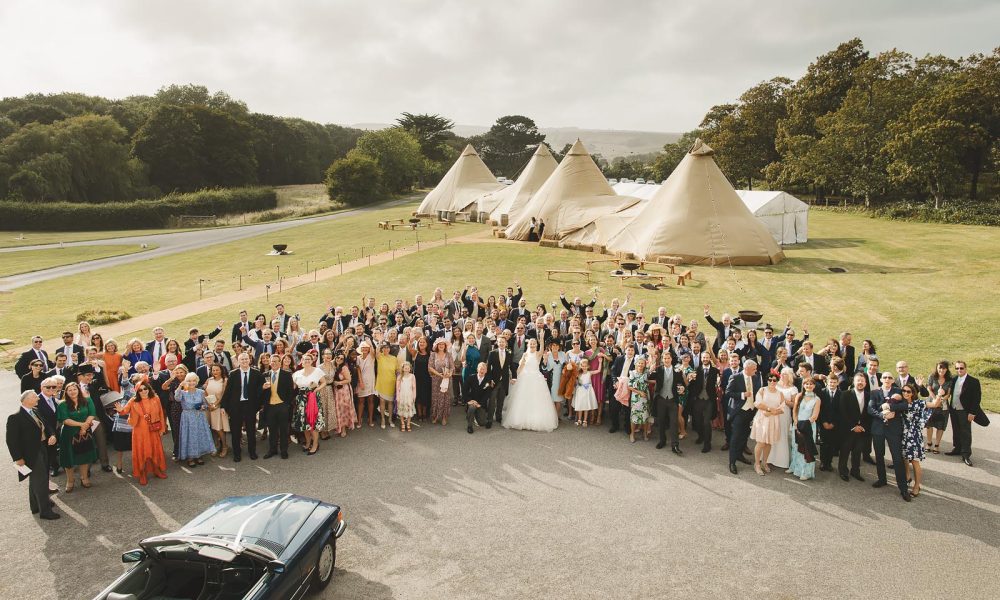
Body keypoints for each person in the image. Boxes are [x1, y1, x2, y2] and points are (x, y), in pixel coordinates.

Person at [6, 390, 59, 519]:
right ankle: (45, 511)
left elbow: (46, 425)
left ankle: (35, 506)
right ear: (26, 400)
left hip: (42, 448)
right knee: (40, 481)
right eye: (35, 397)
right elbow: (11, 440)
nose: (38, 398)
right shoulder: (15, 417)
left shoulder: (35, 411)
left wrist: (52, 435)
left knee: (37, 479)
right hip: (30, 453)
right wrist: (18, 458)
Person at [869, 373, 910, 501]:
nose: (887, 379)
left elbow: (905, 405)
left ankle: (903, 488)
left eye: (890, 377)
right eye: (885, 377)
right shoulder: (875, 392)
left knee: (897, 458)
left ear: (893, 380)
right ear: (881, 379)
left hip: (894, 429)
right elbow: (870, 409)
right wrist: (883, 415)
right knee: (879, 456)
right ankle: (882, 479)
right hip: (878, 429)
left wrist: (890, 406)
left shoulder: (898, 391)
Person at [502, 339, 558, 432]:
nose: (532, 345)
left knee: (536, 399)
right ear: (528, 345)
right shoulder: (525, 355)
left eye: (534, 344)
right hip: (525, 377)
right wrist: (516, 377)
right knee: (523, 398)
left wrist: (541, 337)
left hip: (536, 378)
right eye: (530, 344)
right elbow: (520, 367)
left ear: (536, 345)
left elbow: (542, 348)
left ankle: (535, 420)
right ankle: (521, 420)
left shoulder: (538, 354)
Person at [220, 352, 264, 462]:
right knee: (235, 431)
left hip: (250, 406)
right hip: (236, 406)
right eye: (242, 359)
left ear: (249, 360)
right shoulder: (233, 374)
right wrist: (223, 406)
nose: (244, 361)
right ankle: (237, 453)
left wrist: (259, 405)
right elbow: (228, 391)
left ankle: (252, 452)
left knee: (251, 430)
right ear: (238, 361)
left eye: (246, 359)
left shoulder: (257, 373)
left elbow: (260, 391)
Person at [56, 382, 97, 491]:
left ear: (78, 390)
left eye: (74, 389)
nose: (72, 392)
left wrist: (84, 427)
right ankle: (70, 480)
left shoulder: (87, 400)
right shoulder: (62, 404)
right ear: (66, 392)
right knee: (68, 458)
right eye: (70, 390)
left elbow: (92, 414)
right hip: (69, 434)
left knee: (84, 456)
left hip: (84, 432)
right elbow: (65, 420)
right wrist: (81, 425)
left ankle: (84, 478)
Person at [945, 361, 986, 467]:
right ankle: (957, 448)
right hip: (953, 409)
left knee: (965, 432)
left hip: (965, 411)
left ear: (966, 368)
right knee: (956, 429)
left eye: (961, 368)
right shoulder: (954, 379)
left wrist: (972, 412)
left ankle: (966, 454)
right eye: (957, 368)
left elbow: (976, 399)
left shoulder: (973, 381)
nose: (959, 370)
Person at [725, 360, 762, 475]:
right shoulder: (735, 377)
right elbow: (728, 392)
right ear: (747, 368)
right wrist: (742, 395)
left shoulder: (755, 378)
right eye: (754, 369)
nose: (756, 371)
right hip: (738, 412)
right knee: (735, 437)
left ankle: (740, 455)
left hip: (750, 411)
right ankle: (732, 462)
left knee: (744, 436)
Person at [176, 373, 215, 467]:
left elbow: (206, 405)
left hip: (199, 417)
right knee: (189, 436)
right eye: (189, 381)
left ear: (197, 381)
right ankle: (190, 457)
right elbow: (176, 398)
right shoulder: (182, 392)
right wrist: (179, 387)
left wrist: (203, 407)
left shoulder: (201, 392)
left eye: (193, 380)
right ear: (186, 381)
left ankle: (199, 455)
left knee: (199, 435)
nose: (191, 383)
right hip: (187, 417)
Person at [837, 373, 871, 482]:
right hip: (848, 429)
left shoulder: (869, 395)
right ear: (853, 382)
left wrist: (862, 427)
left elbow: (869, 414)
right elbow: (843, 412)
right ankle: (843, 471)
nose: (860, 383)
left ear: (865, 383)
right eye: (858, 381)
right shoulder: (845, 394)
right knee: (845, 451)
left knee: (857, 451)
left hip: (862, 430)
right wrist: (853, 426)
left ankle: (855, 471)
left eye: (862, 381)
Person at [261, 354, 295, 459]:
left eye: (276, 361)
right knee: (272, 430)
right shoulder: (265, 375)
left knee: (284, 430)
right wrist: (262, 388)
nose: (274, 363)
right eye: (272, 361)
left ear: (280, 363)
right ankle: (272, 450)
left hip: (282, 406)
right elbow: (260, 393)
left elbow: (291, 392)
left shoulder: (286, 375)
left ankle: (284, 450)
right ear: (269, 363)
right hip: (270, 407)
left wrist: (286, 404)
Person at [293, 352, 327, 454]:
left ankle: (315, 444)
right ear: (301, 361)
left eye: (309, 359)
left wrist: (317, 389)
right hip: (301, 400)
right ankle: (308, 442)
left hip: (313, 398)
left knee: (313, 423)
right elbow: (294, 387)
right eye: (305, 359)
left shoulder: (317, 371)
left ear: (312, 361)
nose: (307, 361)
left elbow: (324, 382)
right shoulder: (296, 373)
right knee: (304, 423)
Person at [751, 372, 784, 475]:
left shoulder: (780, 393)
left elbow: (782, 408)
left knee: (769, 442)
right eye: (770, 380)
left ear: (777, 381)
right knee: (761, 442)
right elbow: (757, 404)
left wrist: (774, 412)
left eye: (774, 380)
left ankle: (764, 462)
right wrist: (769, 409)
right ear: (767, 380)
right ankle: (757, 464)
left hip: (773, 420)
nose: (772, 382)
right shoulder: (762, 390)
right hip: (762, 419)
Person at [651, 351, 684, 453]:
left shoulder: (677, 371)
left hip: (672, 400)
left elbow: (681, 384)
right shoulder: (658, 370)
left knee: (673, 422)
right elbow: (649, 377)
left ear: (671, 359)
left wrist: (682, 387)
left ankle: (675, 445)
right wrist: (651, 369)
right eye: (664, 358)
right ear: (662, 360)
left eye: (668, 358)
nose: (666, 360)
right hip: (661, 399)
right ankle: (662, 440)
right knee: (661, 421)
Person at [789, 378, 821, 481]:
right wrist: (795, 422)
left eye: (811, 384)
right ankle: (794, 467)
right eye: (806, 384)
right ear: (803, 385)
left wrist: (805, 424)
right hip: (797, 424)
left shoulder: (817, 399)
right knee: (796, 446)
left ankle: (805, 472)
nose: (809, 386)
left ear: (814, 386)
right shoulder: (799, 396)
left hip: (808, 426)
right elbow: (794, 411)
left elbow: (815, 415)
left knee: (806, 448)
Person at [901, 383, 928, 497]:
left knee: (914, 461)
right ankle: (907, 477)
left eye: (909, 391)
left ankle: (917, 486)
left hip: (914, 434)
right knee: (904, 458)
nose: (906, 393)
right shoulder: (900, 403)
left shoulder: (919, 403)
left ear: (913, 393)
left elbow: (935, 404)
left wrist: (940, 395)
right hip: (902, 434)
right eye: (904, 391)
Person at [488, 336, 516, 425]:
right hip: (494, 380)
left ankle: (499, 417)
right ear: (497, 342)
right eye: (500, 342)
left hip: (504, 380)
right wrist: (489, 380)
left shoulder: (509, 353)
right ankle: (489, 419)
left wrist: (514, 377)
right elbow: (488, 368)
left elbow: (512, 366)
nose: (501, 344)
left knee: (501, 400)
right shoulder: (492, 353)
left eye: (503, 342)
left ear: (506, 343)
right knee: (492, 401)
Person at [203, 363, 229, 457]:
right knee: (212, 428)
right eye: (213, 370)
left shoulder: (225, 380)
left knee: (219, 428)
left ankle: (224, 446)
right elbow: (204, 392)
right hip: (209, 406)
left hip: (218, 407)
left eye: (217, 370)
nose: (215, 372)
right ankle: (216, 446)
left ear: (221, 370)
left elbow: (223, 395)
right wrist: (209, 404)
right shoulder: (209, 380)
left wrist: (215, 405)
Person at [428, 338, 454, 426]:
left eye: (443, 344)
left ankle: (444, 417)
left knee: (445, 398)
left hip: (446, 380)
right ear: (436, 346)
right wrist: (439, 375)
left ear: (445, 346)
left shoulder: (449, 355)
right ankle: (435, 416)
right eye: (439, 344)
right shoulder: (433, 355)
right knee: (436, 398)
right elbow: (430, 367)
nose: (441, 346)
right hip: (436, 379)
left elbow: (452, 367)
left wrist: (449, 374)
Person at [331, 352, 357, 437]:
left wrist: (338, 382)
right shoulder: (333, 366)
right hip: (336, 391)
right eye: (338, 357)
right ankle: (338, 426)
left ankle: (343, 428)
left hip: (343, 391)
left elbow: (349, 379)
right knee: (337, 408)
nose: (339, 359)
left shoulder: (344, 368)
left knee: (343, 408)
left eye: (341, 359)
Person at [374, 342, 399, 429]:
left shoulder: (394, 358)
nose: (386, 349)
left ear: (390, 349)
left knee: (391, 403)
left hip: (391, 382)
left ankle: (390, 419)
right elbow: (376, 351)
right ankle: (383, 419)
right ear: (382, 349)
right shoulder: (379, 356)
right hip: (381, 382)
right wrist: (380, 343)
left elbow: (397, 371)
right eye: (384, 348)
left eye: (387, 347)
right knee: (382, 402)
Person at [464, 362, 493, 433]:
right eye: (480, 369)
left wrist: (480, 403)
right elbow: (464, 390)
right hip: (472, 401)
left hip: (481, 403)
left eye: (484, 369)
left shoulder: (488, 380)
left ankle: (473, 415)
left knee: (482, 423)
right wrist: (469, 400)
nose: (482, 371)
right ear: (477, 369)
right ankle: (469, 425)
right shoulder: (471, 377)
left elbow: (487, 394)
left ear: (486, 371)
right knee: (472, 407)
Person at [628, 356, 651, 443]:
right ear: (636, 364)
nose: (641, 365)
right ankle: (632, 434)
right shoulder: (632, 373)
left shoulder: (646, 372)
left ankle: (645, 434)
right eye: (639, 363)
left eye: (642, 363)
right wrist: (639, 392)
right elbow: (629, 386)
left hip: (645, 397)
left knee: (645, 416)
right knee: (634, 416)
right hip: (636, 397)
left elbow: (649, 378)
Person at [355, 340, 376, 428]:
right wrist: (361, 382)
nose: (364, 349)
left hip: (371, 381)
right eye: (363, 347)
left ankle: (370, 419)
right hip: (361, 382)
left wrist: (370, 343)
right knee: (361, 402)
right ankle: (359, 420)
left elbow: (373, 351)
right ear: (360, 348)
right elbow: (358, 370)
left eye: (366, 347)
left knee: (371, 401)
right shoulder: (358, 358)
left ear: (369, 348)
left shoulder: (372, 356)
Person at [572, 357, 598, 427]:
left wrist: (600, 362)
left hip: (587, 391)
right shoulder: (579, 374)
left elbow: (598, 370)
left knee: (586, 405)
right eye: (582, 366)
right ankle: (579, 419)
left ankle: (585, 420)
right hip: (580, 390)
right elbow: (575, 378)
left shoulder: (590, 373)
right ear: (580, 366)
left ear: (588, 366)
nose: (584, 367)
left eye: (585, 366)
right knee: (580, 405)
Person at [412, 336, 432, 421]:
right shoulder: (415, 352)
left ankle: (424, 413)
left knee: (426, 396)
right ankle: (419, 414)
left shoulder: (431, 353)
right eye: (420, 342)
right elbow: (409, 347)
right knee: (418, 396)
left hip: (427, 378)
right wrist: (412, 339)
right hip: (417, 378)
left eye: (424, 342)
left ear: (427, 344)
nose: (422, 344)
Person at [397, 362, 417, 432]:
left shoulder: (412, 376)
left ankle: (408, 423)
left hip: (409, 395)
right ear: (402, 369)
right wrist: (398, 396)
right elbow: (397, 388)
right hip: (402, 395)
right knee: (402, 410)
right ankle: (402, 423)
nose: (407, 369)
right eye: (405, 368)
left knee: (409, 410)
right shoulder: (400, 376)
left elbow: (414, 387)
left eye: (408, 368)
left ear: (410, 369)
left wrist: (414, 396)